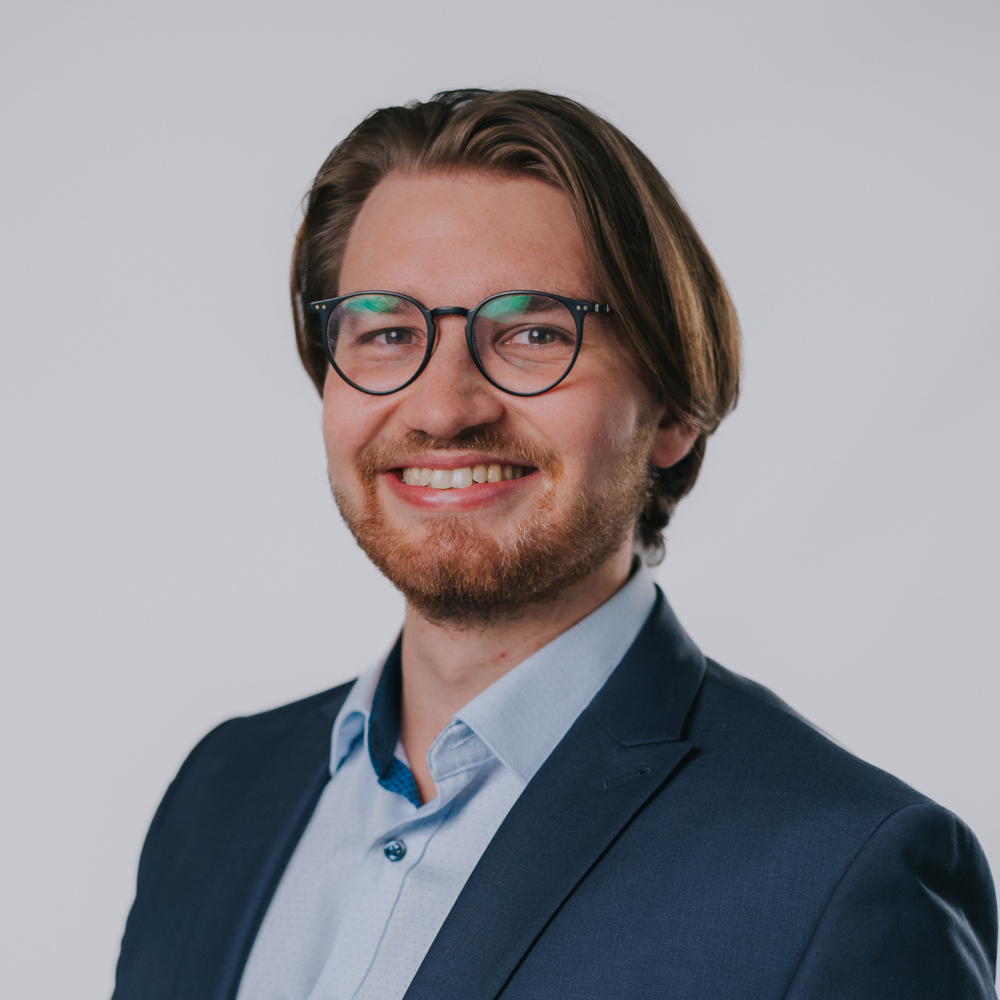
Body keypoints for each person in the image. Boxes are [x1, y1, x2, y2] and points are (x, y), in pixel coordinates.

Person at [112, 89, 998, 1000]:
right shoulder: (220, 794)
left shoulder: (844, 877)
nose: (443, 408)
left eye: (534, 334)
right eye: (387, 333)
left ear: (673, 410)